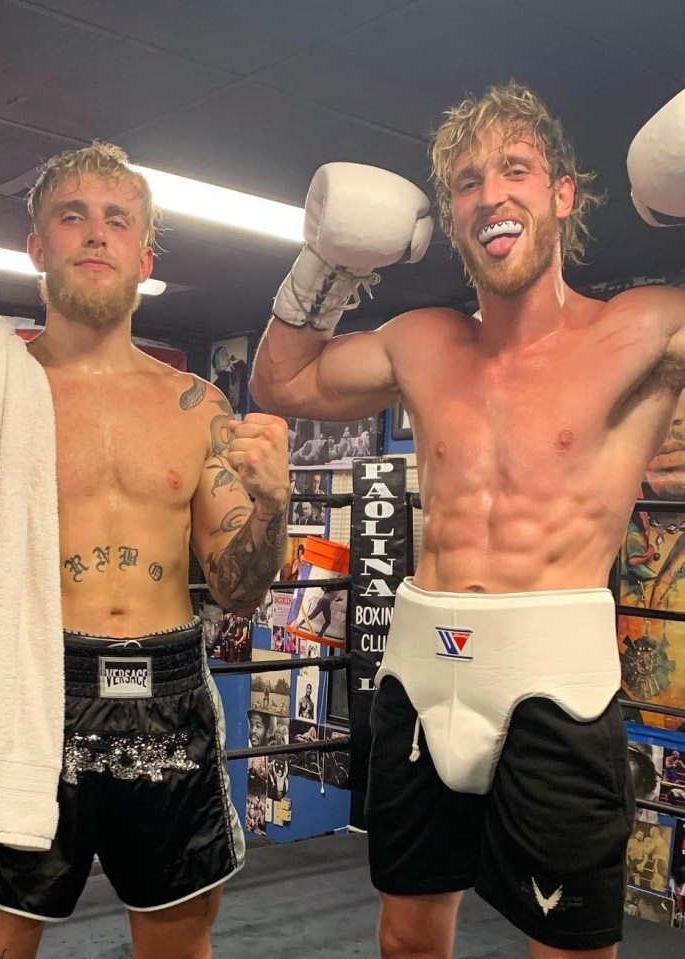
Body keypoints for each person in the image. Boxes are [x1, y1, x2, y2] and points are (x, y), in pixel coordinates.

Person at [251, 83, 685, 958]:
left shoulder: (644, 327)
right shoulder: (422, 340)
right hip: (421, 667)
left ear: (563, 193)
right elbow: (281, 383)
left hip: (555, 675)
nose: (491, 193)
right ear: (451, 215)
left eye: (515, 168)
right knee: (408, 933)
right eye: (466, 180)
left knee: (570, 947)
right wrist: (323, 262)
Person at [0, 141, 290, 959]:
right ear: (37, 247)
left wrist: (276, 505)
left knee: (178, 948)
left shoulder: (197, 406)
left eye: (117, 220)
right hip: (29, 695)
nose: (95, 235)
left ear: (144, 256)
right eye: (72, 217)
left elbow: (239, 590)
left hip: (171, 696)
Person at [210, 344, 248, 416]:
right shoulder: (218, 384)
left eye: (226, 354)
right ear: (217, 362)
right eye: (223, 355)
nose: (226, 356)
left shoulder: (235, 371)